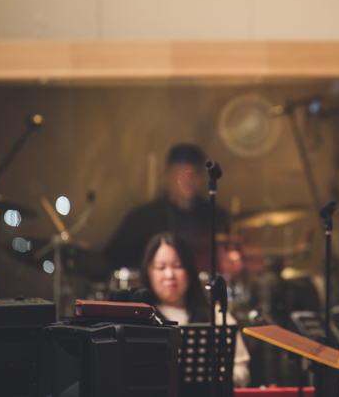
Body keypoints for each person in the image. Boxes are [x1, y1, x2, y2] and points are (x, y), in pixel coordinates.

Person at [141, 231, 250, 388]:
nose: (170, 275)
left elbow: (241, 369)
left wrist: (221, 378)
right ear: (148, 272)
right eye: (160, 267)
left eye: (178, 266)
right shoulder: (138, 318)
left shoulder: (217, 315)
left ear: (190, 270)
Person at [105, 143, 228, 272]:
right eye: (182, 171)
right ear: (167, 172)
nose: (189, 179)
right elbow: (113, 260)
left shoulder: (217, 217)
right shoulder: (141, 219)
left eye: (195, 172)